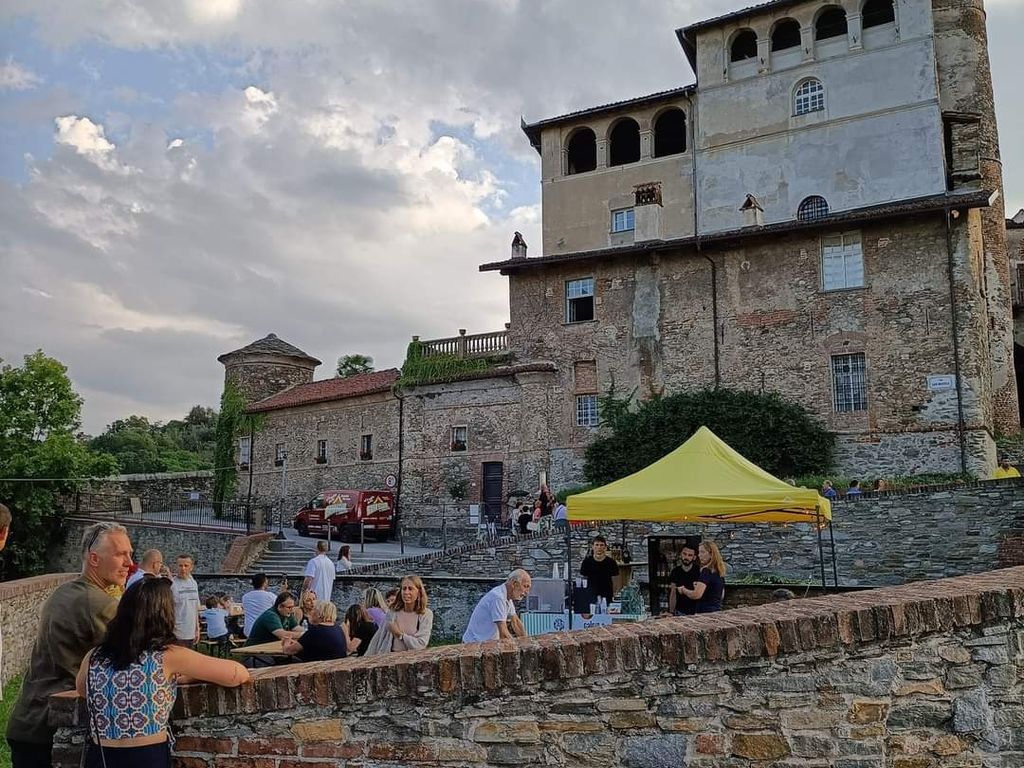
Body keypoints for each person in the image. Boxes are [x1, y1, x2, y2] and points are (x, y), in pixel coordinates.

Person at [75, 577, 249, 768]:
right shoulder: (168, 656)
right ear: (165, 614)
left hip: (100, 755)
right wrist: (185, 677)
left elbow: (83, 689)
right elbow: (237, 674)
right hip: (146, 756)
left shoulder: (94, 656)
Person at [6, 522, 131, 768]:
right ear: (94, 559)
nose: (129, 562)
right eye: (121, 554)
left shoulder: (63, 592)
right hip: (53, 728)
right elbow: (139, 659)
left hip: (28, 721)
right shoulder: (99, 604)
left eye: (130, 554)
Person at [365, 576, 433, 654]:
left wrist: (399, 635)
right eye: (404, 589)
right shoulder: (392, 613)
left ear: (419, 592)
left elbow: (421, 644)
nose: (406, 592)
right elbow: (378, 639)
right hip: (390, 658)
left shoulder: (425, 615)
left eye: (410, 589)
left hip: (413, 659)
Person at [462, 569, 530, 643]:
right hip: (474, 644)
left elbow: (516, 622)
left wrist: (527, 642)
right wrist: (517, 646)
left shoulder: (507, 597)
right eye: (525, 586)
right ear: (514, 584)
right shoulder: (498, 597)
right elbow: (503, 633)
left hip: (485, 643)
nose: (527, 592)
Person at [282, 601, 347, 662]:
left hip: (315, 667)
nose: (311, 613)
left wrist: (286, 642)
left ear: (319, 614)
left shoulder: (315, 631)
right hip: (336, 665)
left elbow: (288, 651)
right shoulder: (338, 629)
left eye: (313, 610)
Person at [676, 540, 727, 614]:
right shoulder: (719, 572)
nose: (699, 555)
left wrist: (683, 590)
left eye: (702, 552)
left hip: (705, 613)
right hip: (716, 612)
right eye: (699, 552)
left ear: (711, 554)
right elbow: (721, 595)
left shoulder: (706, 571)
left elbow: (696, 595)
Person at [170, 554, 200, 648]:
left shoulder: (193, 583)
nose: (183, 568)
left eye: (186, 566)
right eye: (180, 565)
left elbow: (195, 607)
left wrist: (197, 628)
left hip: (191, 631)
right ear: (176, 566)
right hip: (177, 632)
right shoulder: (172, 585)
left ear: (191, 567)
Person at [580, 535, 619, 604]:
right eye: (597, 545)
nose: (599, 547)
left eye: (601, 545)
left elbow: (615, 579)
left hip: (607, 595)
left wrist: (615, 593)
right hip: (590, 595)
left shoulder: (611, 562)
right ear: (593, 547)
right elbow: (583, 579)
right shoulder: (587, 562)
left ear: (605, 547)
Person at [667, 541, 700, 616]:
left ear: (694, 557)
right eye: (684, 554)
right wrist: (671, 612)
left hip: (696, 612)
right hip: (680, 611)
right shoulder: (675, 572)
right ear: (681, 554)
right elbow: (673, 592)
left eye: (690, 555)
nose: (686, 557)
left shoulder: (699, 571)